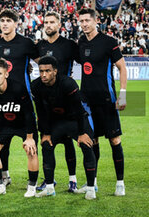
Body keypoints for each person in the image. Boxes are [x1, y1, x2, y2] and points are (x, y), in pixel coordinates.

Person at [76, 8, 127, 196]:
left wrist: (122, 94)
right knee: (92, 141)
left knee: (114, 140)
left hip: (107, 99)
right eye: (81, 21)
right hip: (87, 101)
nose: (84, 24)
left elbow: (122, 67)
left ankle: (120, 183)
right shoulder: (80, 42)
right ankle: (93, 182)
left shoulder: (108, 42)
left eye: (87, 20)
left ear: (95, 21)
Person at [31, 56, 96, 200]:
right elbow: (41, 112)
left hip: (75, 119)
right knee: (46, 146)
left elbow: (79, 109)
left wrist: (81, 133)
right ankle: (49, 188)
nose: (43, 74)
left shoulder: (68, 83)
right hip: (56, 122)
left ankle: (91, 188)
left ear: (55, 71)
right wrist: (46, 133)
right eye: (41, 71)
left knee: (86, 145)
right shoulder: (35, 86)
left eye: (47, 71)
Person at [0, 9, 39, 186]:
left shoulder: (26, 43)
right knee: (2, 139)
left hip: (23, 99)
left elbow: (43, 62)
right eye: (2, 20)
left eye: (9, 20)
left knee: (30, 140)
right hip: (1, 99)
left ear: (16, 23)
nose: (4, 23)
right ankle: (5, 175)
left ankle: (36, 181)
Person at [36, 11, 79, 192]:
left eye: (52, 22)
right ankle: (49, 180)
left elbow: (85, 61)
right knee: (46, 140)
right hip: (46, 100)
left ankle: (73, 179)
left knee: (68, 141)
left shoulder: (69, 45)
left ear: (59, 24)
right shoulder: (39, 46)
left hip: (66, 98)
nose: (48, 25)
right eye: (46, 22)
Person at [0, 58, 39, 197]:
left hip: (23, 126)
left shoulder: (18, 88)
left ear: (6, 74)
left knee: (31, 150)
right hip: (4, 125)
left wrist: (30, 137)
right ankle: (0, 185)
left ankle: (32, 186)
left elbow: (29, 114)